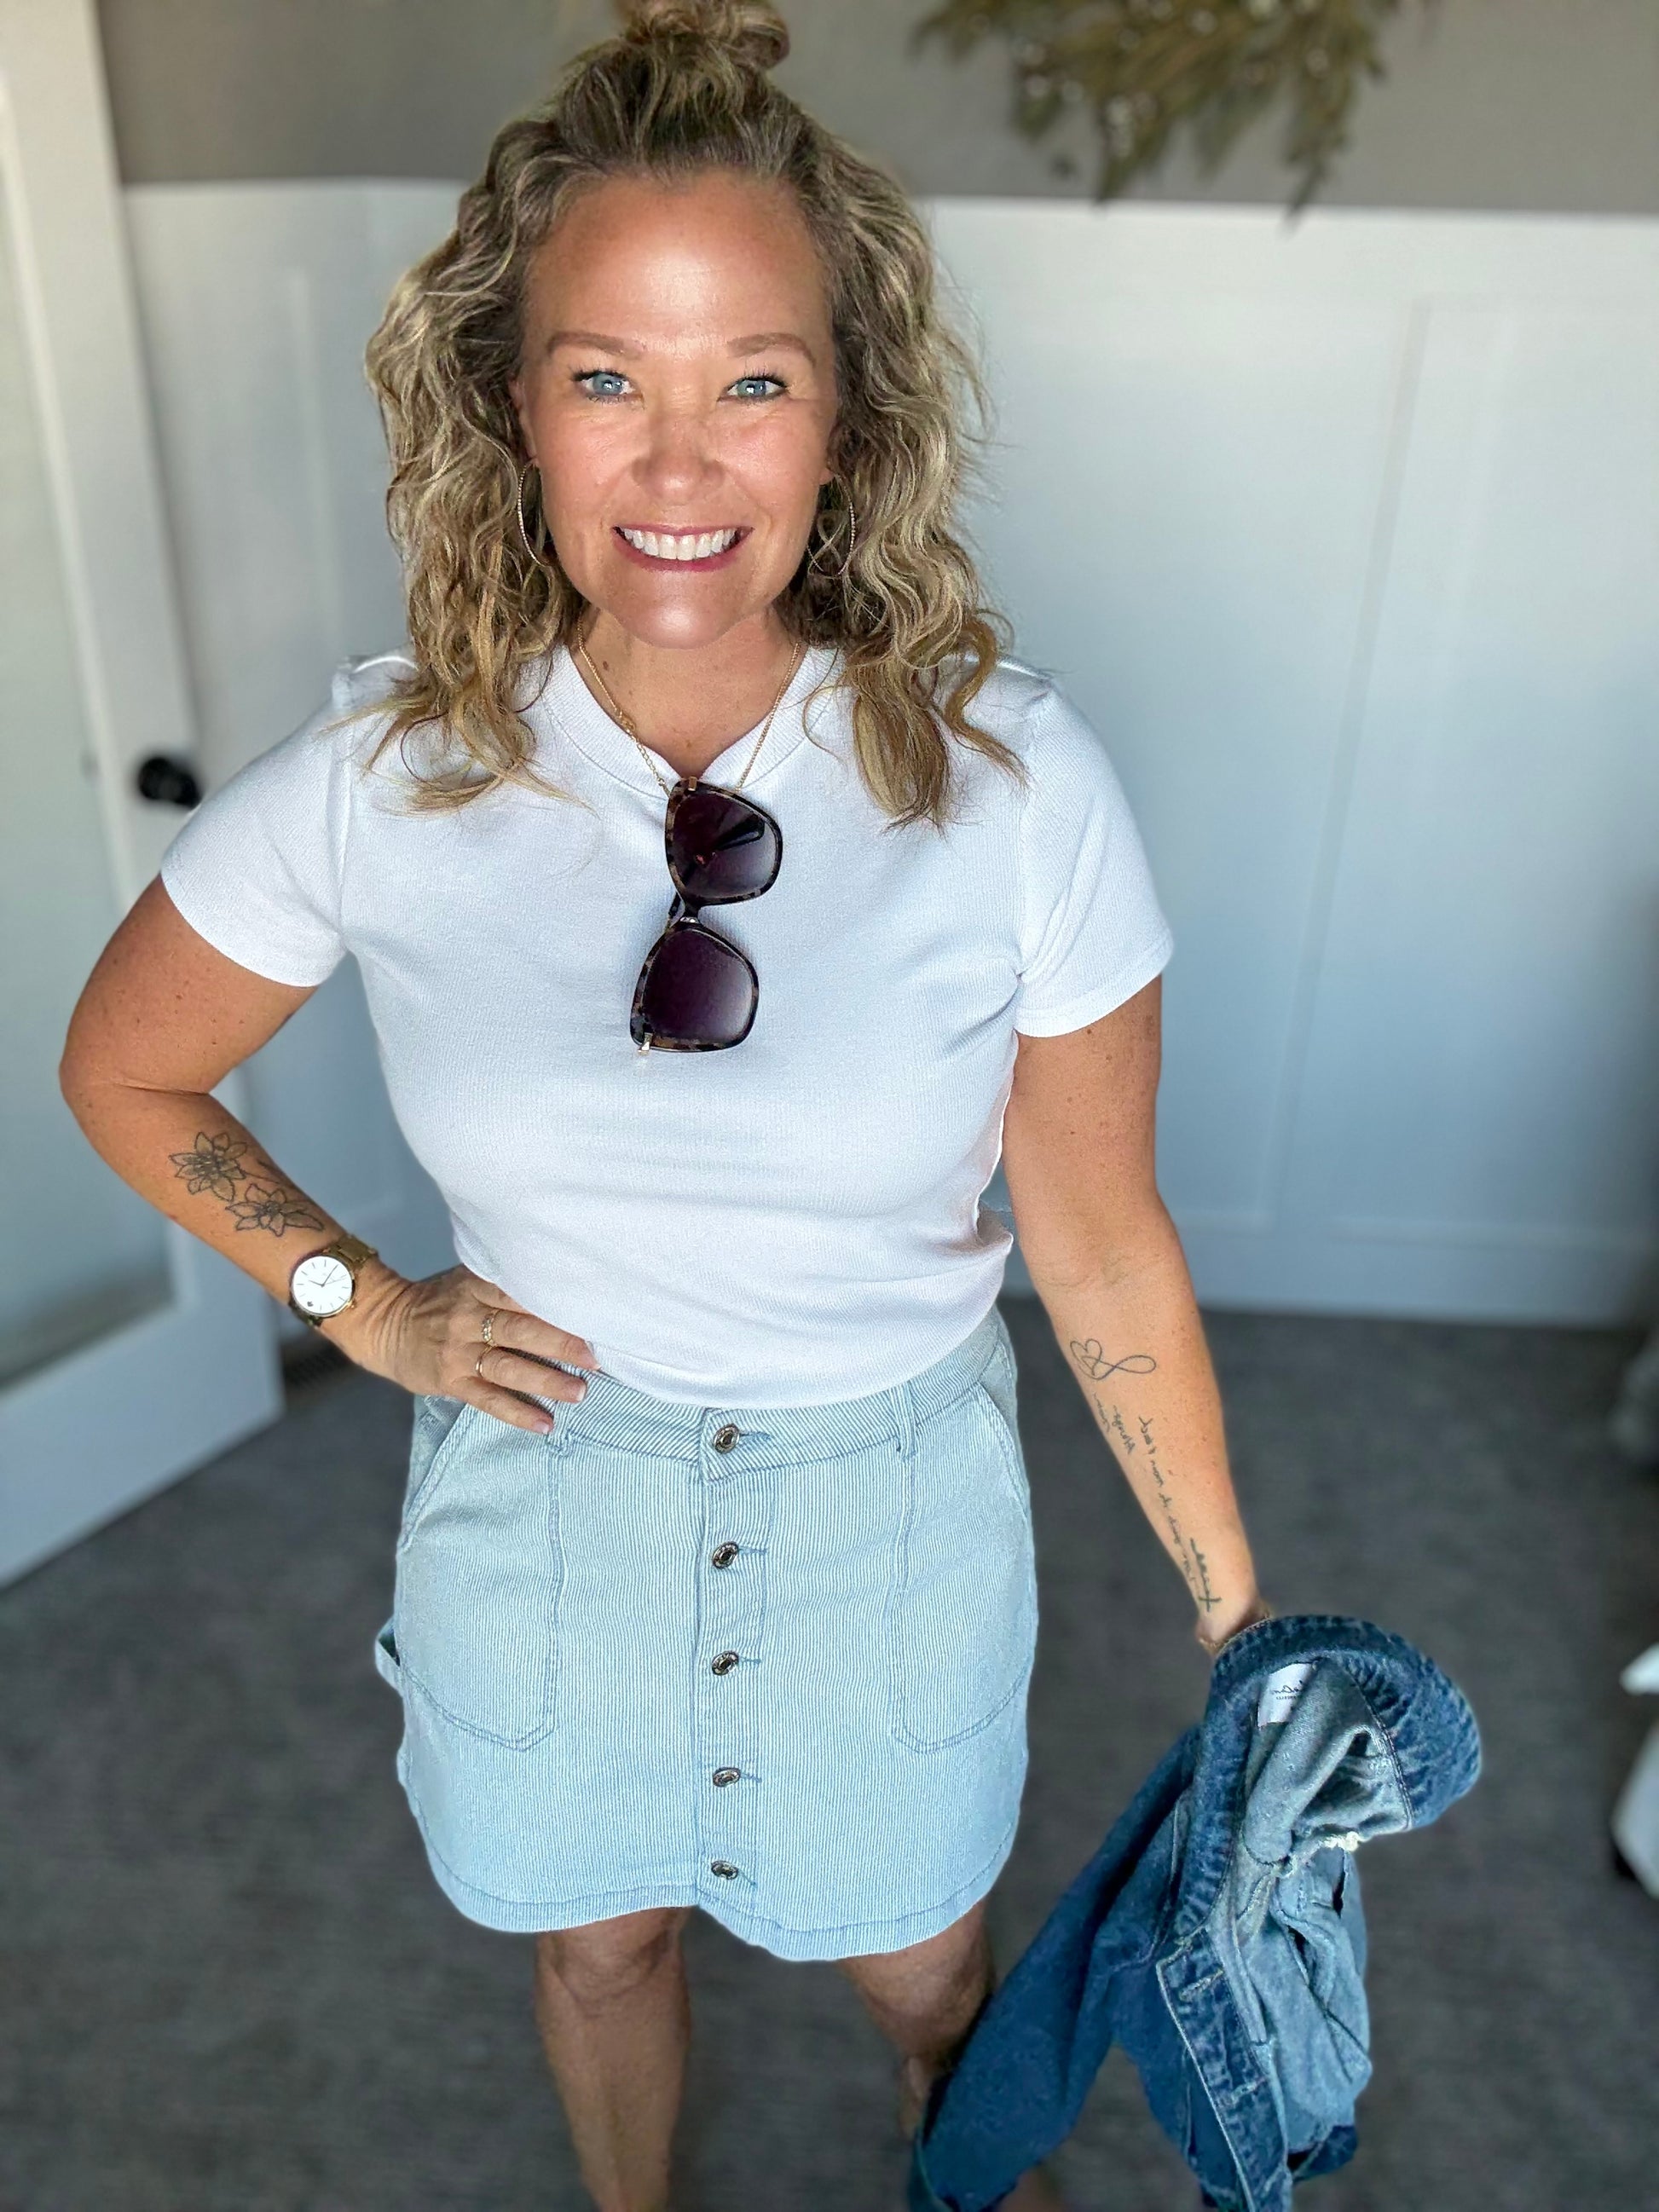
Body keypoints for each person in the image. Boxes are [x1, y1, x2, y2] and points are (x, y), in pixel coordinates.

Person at [60, 3, 1273, 2205]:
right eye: (608, 377)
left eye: (754, 381)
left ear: (848, 413)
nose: (682, 465)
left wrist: (1232, 1612)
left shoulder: (1015, 782)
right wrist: (359, 1302)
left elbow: (1100, 1239)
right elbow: (125, 1064)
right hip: (550, 1488)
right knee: (595, 1945)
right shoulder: (383, 776)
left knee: (920, 1975)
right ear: (509, 405)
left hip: (887, 1502)